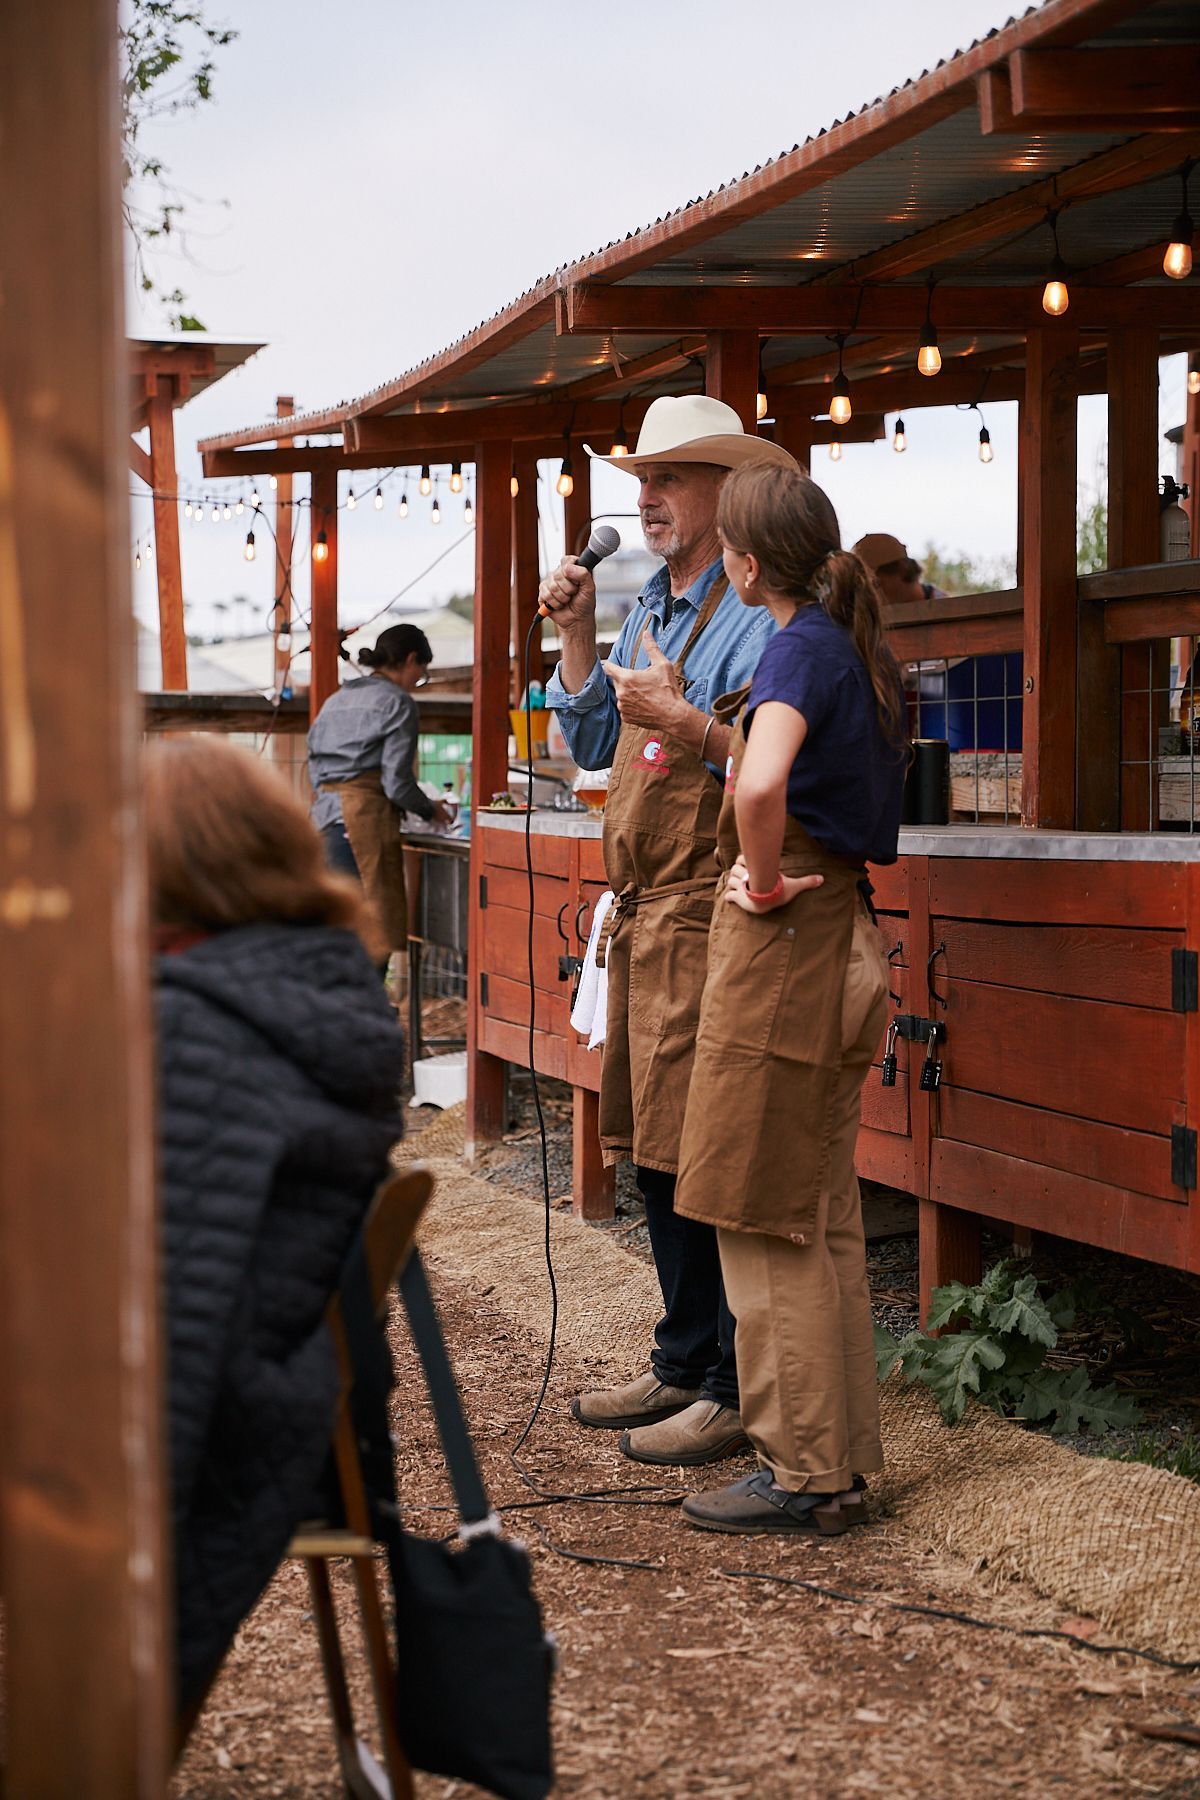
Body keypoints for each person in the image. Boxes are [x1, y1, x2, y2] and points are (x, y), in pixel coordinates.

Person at [541, 393, 805, 1469]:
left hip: (713, 906)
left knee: (710, 1148)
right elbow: (596, 735)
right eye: (640, 478)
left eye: (671, 477)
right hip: (649, 912)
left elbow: (768, 755)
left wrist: (689, 724)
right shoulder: (650, 600)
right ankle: (684, 1355)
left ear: (727, 494)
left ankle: (734, 1382)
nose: (645, 496)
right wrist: (573, 630)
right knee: (653, 1143)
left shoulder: (762, 608)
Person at [146, 736, 407, 1710]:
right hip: (291, 1386)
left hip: (219, 1409)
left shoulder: (192, 1023)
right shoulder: (312, 989)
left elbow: (172, 1315)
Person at [674, 464, 907, 1536]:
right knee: (819, 1216)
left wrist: (760, 880)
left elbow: (759, 784)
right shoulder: (836, 642)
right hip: (845, 939)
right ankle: (840, 1461)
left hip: (794, 953)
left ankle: (802, 1467)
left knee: (763, 1217)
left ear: (747, 561)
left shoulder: (792, 647)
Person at [307, 622, 454, 962]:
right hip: (362, 825)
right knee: (371, 937)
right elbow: (396, 783)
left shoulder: (334, 701)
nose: (418, 681)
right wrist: (431, 809)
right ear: (411, 659)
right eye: (421, 672)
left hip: (321, 823)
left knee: (332, 935)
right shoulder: (397, 703)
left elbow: (314, 766)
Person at [854, 532, 1022, 753]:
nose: (871, 594)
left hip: (954, 736)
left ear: (902, 571)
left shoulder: (951, 616)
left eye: (875, 584)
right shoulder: (867, 624)